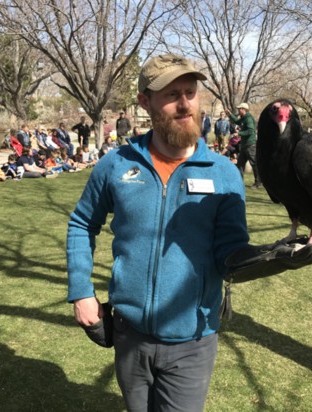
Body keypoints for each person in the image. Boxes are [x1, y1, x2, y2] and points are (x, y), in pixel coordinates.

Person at [67, 53, 252, 412]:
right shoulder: (116, 164)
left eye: (191, 92)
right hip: (128, 335)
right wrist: (80, 291)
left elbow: (232, 254)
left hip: (192, 341)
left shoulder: (224, 173)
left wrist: (278, 256)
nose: (185, 104)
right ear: (145, 102)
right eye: (171, 95)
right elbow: (81, 222)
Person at [225, 102, 261, 188]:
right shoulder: (244, 117)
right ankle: (239, 182)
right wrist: (230, 114)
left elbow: (251, 131)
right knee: (240, 164)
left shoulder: (248, 118)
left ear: (243, 109)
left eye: (239, 109)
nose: (238, 110)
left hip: (250, 145)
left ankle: (258, 182)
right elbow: (237, 121)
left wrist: (239, 133)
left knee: (254, 164)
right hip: (244, 145)